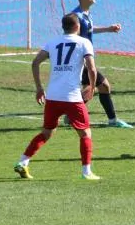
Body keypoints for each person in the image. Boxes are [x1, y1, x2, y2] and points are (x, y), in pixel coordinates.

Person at [14, 13, 101, 180]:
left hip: (53, 97)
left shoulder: (52, 42)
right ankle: (86, 172)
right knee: (85, 134)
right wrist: (91, 86)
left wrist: (39, 88)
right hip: (72, 97)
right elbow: (91, 68)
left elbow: (35, 62)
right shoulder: (84, 42)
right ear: (78, 27)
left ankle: (23, 162)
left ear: (63, 27)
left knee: (46, 133)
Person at [70, 0, 131, 128]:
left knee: (90, 88)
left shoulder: (86, 14)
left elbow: (89, 30)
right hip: (81, 61)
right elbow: (72, 38)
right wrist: (82, 60)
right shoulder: (76, 17)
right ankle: (113, 121)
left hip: (85, 59)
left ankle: (70, 114)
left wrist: (108, 29)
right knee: (103, 86)